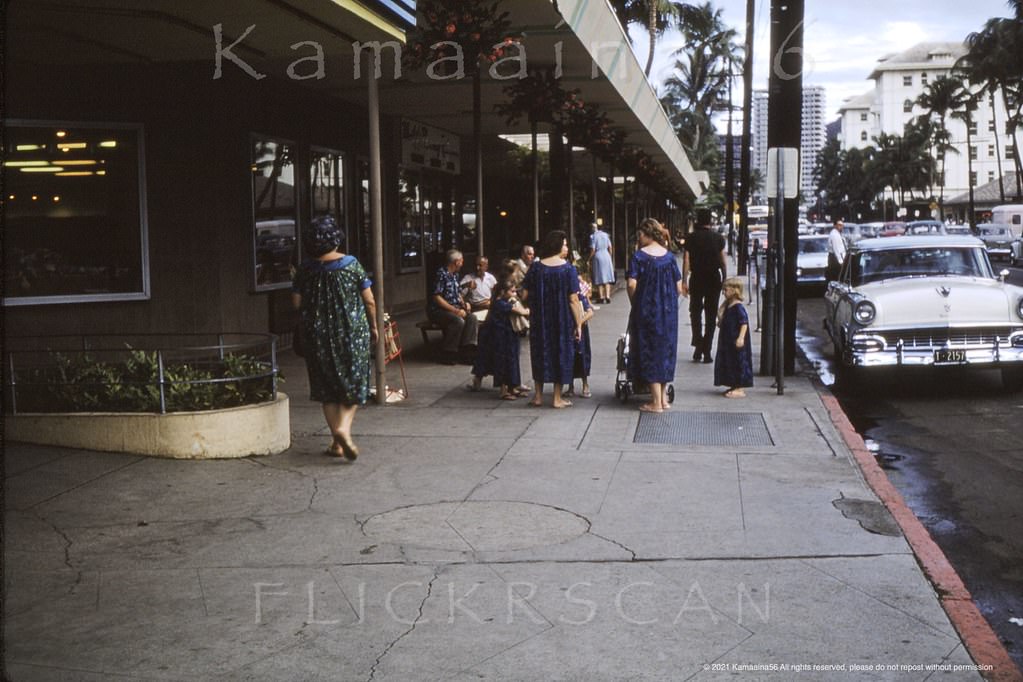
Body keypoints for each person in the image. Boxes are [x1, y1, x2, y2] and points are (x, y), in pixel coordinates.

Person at [292, 215, 377, 461]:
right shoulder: (351, 264)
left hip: (317, 335)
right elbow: (369, 300)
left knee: (326, 388)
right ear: (336, 239)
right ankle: (344, 430)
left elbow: (296, 303)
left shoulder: (305, 269)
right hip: (352, 333)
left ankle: (336, 444)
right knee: (354, 381)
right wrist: (373, 326)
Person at [521, 230, 584, 408]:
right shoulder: (568, 269)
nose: (566, 248)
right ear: (557, 245)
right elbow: (573, 299)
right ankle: (557, 397)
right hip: (562, 319)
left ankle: (538, 396)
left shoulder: (536, 268)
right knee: (561, 353)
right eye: (564, 244)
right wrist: (578, 323)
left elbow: (524, 294)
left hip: (540, 319)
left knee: (539, 352)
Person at [627, 218, 683, 413]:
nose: (639, 238)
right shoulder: (669, 257)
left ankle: (656, 402)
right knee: (666, 350)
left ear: (647, 234)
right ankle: (664, 398)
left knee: (649, 349)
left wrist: (636, 302)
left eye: (640, 234)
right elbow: (678, 287)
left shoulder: (639, 257)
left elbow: (631, 284)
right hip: (668, 311)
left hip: (646, 310)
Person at [468, 278, 529, 399]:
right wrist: (526, 311)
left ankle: (512, 387)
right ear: (502, 292)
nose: (514, 294)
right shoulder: (500, 303)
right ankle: (504, 390)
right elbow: (520, 311)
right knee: (502, 362)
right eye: (512, 291)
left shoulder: (503, 302)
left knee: (509, 361)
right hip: (499, 337)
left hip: (506, 335)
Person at [682, 208, 727, 364]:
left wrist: (684, 280)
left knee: (695, 312)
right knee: (711, 314)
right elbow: (722, 261)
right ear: (710, 221)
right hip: (713, 278)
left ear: (698, 221)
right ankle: (707, 350)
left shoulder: (691, 238)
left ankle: (698, 344)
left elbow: (686, 260)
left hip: (697, 278)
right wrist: (725, 278)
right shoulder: (718, 238)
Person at [428, 249, 479, 365]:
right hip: (438, 310)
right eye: (461, 261)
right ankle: (449, 353)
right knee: (458, 321)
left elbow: (458, 293)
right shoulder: (441, 274)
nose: (462, 263)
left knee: (472, 318)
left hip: (454, 307)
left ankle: (467, 351)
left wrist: (464, 303)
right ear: (456, 262)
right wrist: (455, 310)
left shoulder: (455, 275)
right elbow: (437, 297)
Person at [714, 277, 754, 398]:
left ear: (734, 290)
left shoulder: (738, 307)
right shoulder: (728, 306)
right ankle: (733, 384)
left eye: (725, 290)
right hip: (728, 341)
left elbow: (744, 323)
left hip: (736, 341)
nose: (723, 292)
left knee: (738, 362)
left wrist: (741, 338)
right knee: (730, 362)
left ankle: (739, 387)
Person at [565, 273, 594, 399]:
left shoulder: (580, 297)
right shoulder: (565, 297)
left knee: (582, 356)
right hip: (569, 331)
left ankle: (585, 384)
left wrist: (579, 323)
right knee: (570, 357)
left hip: (580, 332)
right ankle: (570, 386)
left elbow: (590, 312)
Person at [587, 222, 614, 304]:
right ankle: (608, 296)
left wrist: (589, 259)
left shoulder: (593, 236)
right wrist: (609, 256)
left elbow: (593, 249)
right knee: (607, 277)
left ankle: (601, 297)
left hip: (598, 256)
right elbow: (610, 247)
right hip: (606, 255)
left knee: (599, 276)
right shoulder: (606, 235)